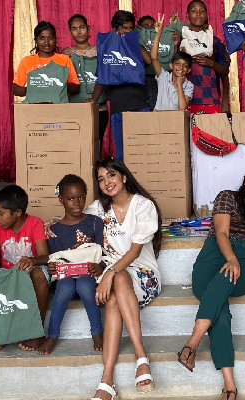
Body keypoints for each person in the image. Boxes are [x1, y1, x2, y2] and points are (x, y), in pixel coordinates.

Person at [177, 162, 245, 400]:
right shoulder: (227, 197)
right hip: (214, 253)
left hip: (244, 259)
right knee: (218, 306)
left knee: (223, 281)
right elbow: (221, 232)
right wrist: (230, 259)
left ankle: (192, 342)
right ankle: (228, 382)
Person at [76, 158, 162, 399]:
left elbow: (134, 251)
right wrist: (52, 225)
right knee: (114, 298)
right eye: (101, 179)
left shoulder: (143, 205)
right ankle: (112, 376)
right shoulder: (97, 209)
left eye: (111, 175)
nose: (107, 182)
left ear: (124, 177)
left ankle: (134, 359)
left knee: (120, 278)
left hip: (143, 274)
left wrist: (110, 274)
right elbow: (74, 220)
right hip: (113, 277)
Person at [0, 185, 50, 352]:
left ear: (17, 212)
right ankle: (1, 334)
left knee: (39, 274)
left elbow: (45, 256)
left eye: (1, 213)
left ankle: (37, 332)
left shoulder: (35, 223)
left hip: (29, 272)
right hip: (7, 273)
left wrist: (32, 260)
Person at [37, 175, 105, 356]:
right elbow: (53, 259)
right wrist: (51, 267)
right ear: (61, 199)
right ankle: (53, 335)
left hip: (89, 278)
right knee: (66, 285)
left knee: (84, 283)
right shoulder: (53, 231)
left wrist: (100, 266)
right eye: (70, 198)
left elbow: (104, 252)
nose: (77, 203)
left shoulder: (95, 222)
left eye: (81, 197)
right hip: (65, 281)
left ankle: (97, 332)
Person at [89, 11, 153, 161]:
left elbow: (148, 60)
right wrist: (93, 100)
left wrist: (131, 42)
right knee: (122, 153)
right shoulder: (108, 51)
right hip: (119, 109)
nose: (128, 31)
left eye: (131, 29)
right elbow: (101, 78)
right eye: (124, 28)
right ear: (115, 29)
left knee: (142, 150)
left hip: (140, 105)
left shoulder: (135, 47)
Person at [62, 15, 109, 143]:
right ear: (70, 32)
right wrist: (63, 62)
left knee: (96, 144)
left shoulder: (100, 51)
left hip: (99, 108)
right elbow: (60, 80)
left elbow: (106, 76)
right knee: (76, 145)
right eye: (74, 29)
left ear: (88, 28)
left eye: (81, 27)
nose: (79, 32)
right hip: (74, 108)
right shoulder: (65, 53)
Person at [180, 0, 230, 114]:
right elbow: (172, 69)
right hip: (184, 99)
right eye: (194, 11)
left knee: (209, 126)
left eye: (202, 11)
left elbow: (225, 71)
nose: (198, 14)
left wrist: (210, 63)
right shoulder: (181, 40)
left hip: (209, 98)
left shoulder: (214, 41)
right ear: (187, 15)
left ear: (206, 15)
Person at [13, 21, 80, 100]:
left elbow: (76, 88)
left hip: (58, 105)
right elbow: (16, 89)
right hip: (35, 105)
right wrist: (36, 88)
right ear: (36, 40)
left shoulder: (64, 59)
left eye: (50, 38)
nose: (46, 42)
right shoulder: (27, 61)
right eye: (42, 38)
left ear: (55, 39)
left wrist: (56, 86)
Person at [150, 14, 193, 111]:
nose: (181, 67)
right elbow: (153, 58)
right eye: (178, 63)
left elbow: (182, 108)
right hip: (159, 117)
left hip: (176, 119)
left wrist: (179, 85)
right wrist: (158, 34)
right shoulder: (163, 77)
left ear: (188, 70)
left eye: (185, 66)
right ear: (171, 65)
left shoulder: (188, 85)